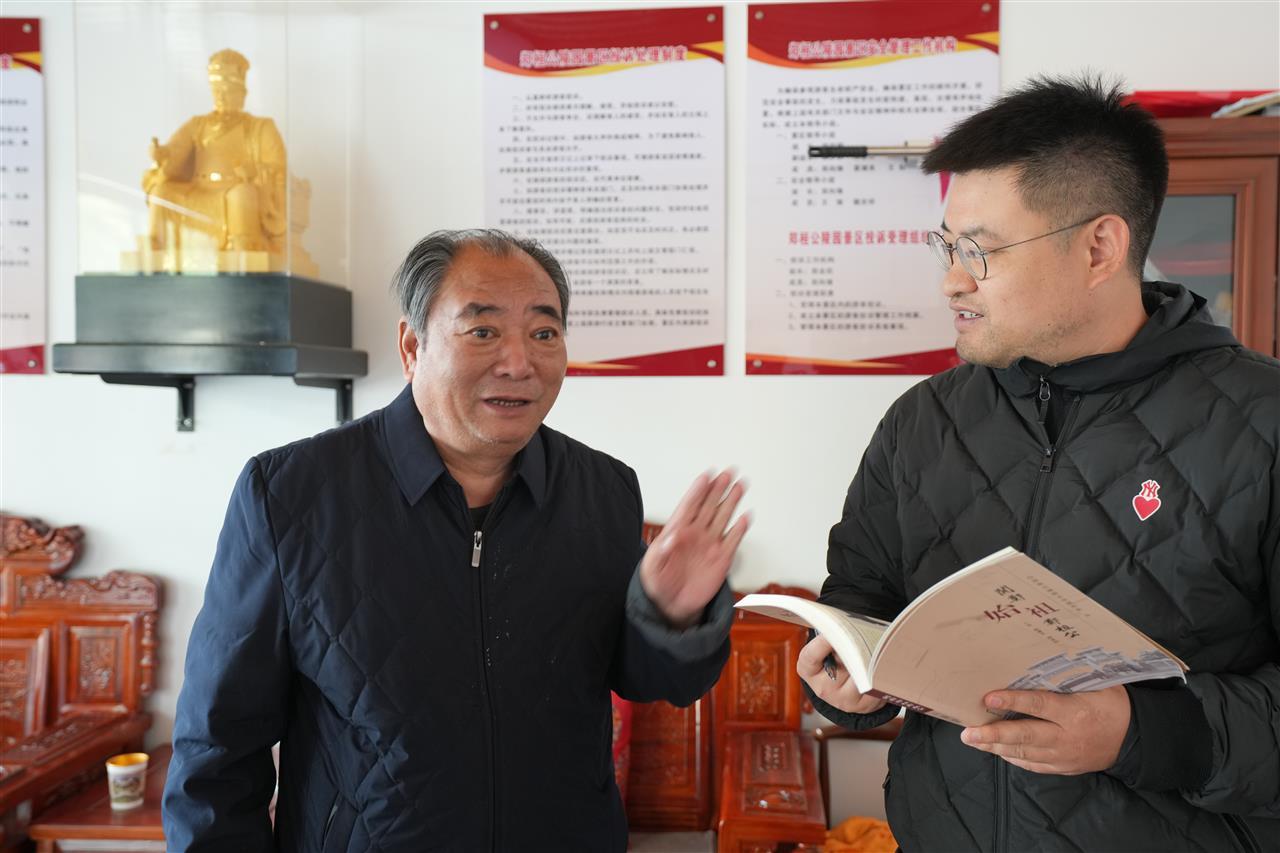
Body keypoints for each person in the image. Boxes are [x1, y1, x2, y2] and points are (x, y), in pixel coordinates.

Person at [798, 76, 1279, 851]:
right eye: (946, 246)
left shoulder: (1261, 420)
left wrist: (1143, 731)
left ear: (1099, 248)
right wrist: (846, 682)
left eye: (980, 251)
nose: (952, 279)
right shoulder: (923, 421)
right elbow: (864, 599)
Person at [162, 229, 749, 851]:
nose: (519, 363)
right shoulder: (290, 493)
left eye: (544, 333)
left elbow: (652, 682)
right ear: (412, 346)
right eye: (483, 331)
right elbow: (218, 746)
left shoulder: (603, 490)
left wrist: (670, 616)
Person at [143, 49, 287, 258]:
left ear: (241, 92)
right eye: (216, 90)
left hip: (233, 191)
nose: (220, 96)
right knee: (161, 192)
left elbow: (277, 167)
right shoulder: (197, 124)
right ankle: (157, 249)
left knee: (243, 196)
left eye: (227, 90)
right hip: (198, 191)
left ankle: (241, 248)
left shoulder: (260, 127)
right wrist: (162, 155)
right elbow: (175, 152)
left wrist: (254, 171)